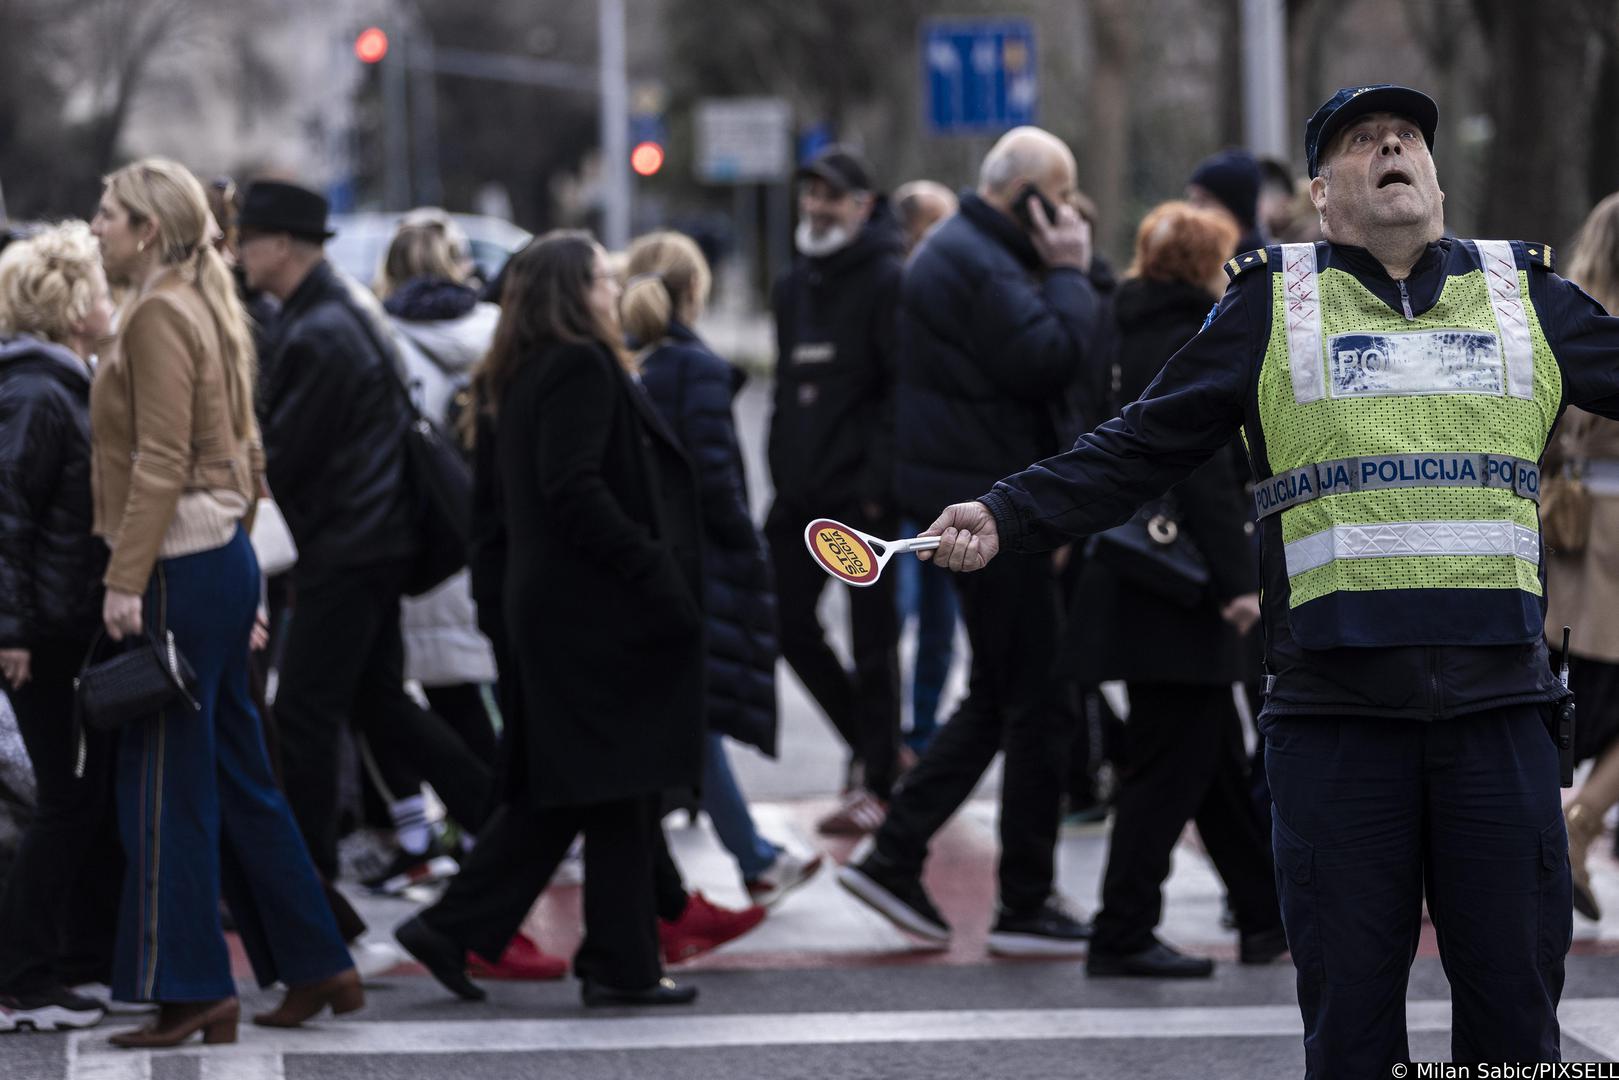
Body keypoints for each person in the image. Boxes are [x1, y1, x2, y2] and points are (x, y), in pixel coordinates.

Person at [916, 85, 1619, 1073]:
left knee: (1512, 1032)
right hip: (1336, 723)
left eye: (1405, 136)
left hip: (1497, 716)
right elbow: (1137, 445)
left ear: (1435, 180)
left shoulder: (1523, 296)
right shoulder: (1271, 302)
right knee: (1349, 1030)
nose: (1388, 146)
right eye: (1357, 141)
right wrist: (1006, 513)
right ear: (1322, 196)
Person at [89, 158, 361, 1047]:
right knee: (241, 774)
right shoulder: (204, 303)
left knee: (163, 782)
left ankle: (192, 989)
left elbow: (164, 459)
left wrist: (127, 577)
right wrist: (235, 564)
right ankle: (319, 963)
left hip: (180, 562)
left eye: (109, 214)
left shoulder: (163, 310)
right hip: (215, 557)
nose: (96, 228)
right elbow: (242, 454)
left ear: (148, 231)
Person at [395, 231, 705, 1007]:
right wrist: (651, 566)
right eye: (600, 277)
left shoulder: (515, 372)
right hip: (594, 610)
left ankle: (600, 956)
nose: (613, 287)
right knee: (608, 780)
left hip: (550, 610)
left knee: (589, 787)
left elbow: (491, 511)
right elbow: (572, 489)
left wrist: (502, 609)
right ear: (573, 292)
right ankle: (612, 963)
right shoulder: (578, 364)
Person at [839, 126, 1098, 957]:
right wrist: (1068, 271)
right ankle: (1017, 897)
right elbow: (1051, 358)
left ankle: (897, 853)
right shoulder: (978, 261)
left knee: (1002, 695)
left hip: (984, 498)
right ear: (1025, 194)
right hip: (988, 509)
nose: (1065, 214)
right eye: (1056, 198)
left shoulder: (964, 250)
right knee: (1036, 701)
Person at [238, 180, 493, 886]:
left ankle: (315, 891)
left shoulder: (319, 331)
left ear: (282, 245)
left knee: (303, 716)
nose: (239, 253)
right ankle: (498, 821)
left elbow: (287, 458)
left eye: (248, 239)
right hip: (372, 545)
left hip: (347, 552)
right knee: (376, 702)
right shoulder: (333, 314)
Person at [1072, 201, 1285, 977]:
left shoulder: (1114, 326)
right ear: (1207, 265)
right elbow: (1200, 479)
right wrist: (1239, 585)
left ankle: (1265, 915)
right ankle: (1121, 929)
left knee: (1212, 759)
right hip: (1182, 589)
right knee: (1171, 767)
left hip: (1135, 575)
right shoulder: (1191, 335)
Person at [624, 230, 823, 907]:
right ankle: (749, 861)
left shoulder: (631, 362)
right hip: (695, 566)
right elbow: (713, 477)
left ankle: (748, 858)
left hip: (645, 567)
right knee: (690, 722)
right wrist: (748, 548)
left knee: (681, 720)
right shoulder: (693, 369)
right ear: (692, 292)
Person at [0, 222, 120, 1032]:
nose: (112, 304)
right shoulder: (38, 393)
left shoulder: (57, 384)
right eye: (102, 289)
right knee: (66, 800)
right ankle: (24, 978)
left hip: (54, 624)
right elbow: (4, 517)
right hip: (39, 634)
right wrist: (9, 631)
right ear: (73, 305)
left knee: (77, 796)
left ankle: (66, 962)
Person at [766, 145, 904, 836]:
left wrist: (877, 488)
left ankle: (879, 778)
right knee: (782, 622)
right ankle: (871, 741)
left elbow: (894, 390)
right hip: (796, 496)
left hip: (860, 500)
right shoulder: (792, 284)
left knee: (873, 644)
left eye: (832, 196)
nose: (817, 207)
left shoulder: (886, 278)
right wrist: (779, 468)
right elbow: (786, 391)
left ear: (863, 206)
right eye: (809, 195)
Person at [1544, 189, 1619, 922]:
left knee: (1556, 691)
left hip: (1562, 523)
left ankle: (1561, 831)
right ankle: (1578, 825)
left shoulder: (1567, 311)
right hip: (1611, 532)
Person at [889, 180, 962, 762]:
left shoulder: (962, 286)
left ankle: (921, 734)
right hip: (902, 485)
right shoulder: (894, 290)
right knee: (898, 610)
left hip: (949, 483)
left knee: (940, 621)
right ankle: (886, 734)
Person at [1186, 148, 1265, 254]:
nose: (1193, 210)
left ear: (1236, 210)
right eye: (1193, 200)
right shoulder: (1189, 260)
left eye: (1204, 200)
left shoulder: (1265, 267)